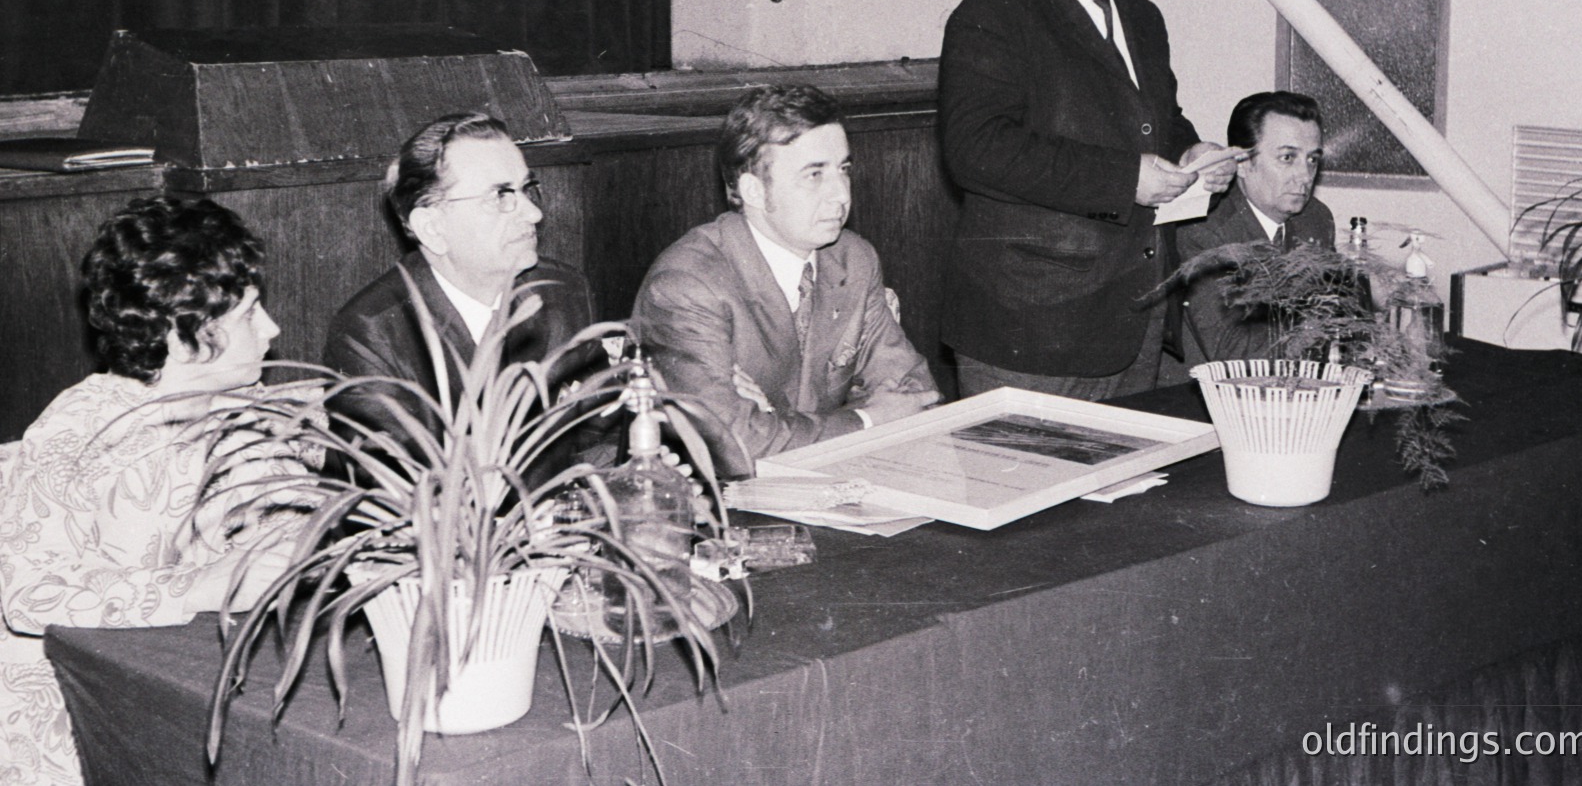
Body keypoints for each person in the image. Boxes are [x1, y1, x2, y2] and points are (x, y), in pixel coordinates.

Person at [0, 195, 319, 786]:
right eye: (249, 314)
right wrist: (197, 586)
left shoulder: (238, 411)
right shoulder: (83, 428)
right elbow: (26, 596)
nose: (272, 329)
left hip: (190, 691)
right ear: (183, 337)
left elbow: (290, 527)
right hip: (66, 723)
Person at [939, 0, 1236, 401]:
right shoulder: (994, 13)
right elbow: (977, 149)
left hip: (1132, 318)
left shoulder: (1142, 17)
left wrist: (1191, 152)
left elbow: (1155, 119)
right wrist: (1127, 179)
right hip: (1029, 328)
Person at [632, 85, 938, 477]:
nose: (840, 195)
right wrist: (866, 419)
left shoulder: (853, 258)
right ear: (754, 191)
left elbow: (918, 395)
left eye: (843, 169)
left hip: (830, 489)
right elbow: (734, 448)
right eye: (814, 175)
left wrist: (774, 422)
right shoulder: (686, 285)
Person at [323, 112, 594, 456]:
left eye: (527, 189)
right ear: (433, 228)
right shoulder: (371, 333)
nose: (533, 214)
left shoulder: (562, 291)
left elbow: (596, 434)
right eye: (500, 195)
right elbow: (395, 485)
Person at [1176, 91, 1336, 365]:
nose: (1305, 176)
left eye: (1312, 159)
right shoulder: (1206, 230)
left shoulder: (1315, 218)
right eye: (1288, 158)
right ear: (1243, 164)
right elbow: (1237, 352)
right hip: (1209, 399)